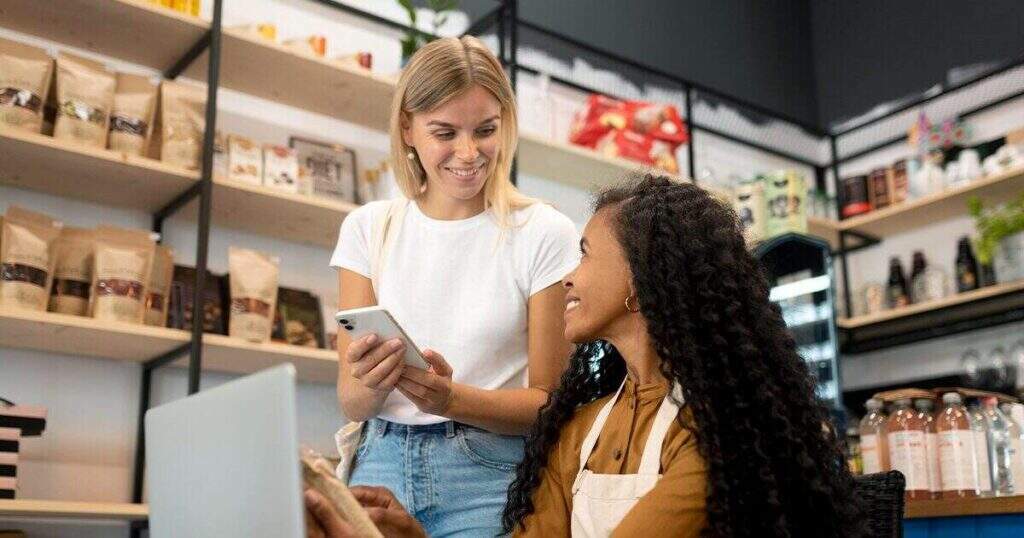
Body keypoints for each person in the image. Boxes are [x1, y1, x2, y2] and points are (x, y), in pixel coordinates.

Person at [317, 175, 865, 537]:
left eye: (584, 254)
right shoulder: (583, 427)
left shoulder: (715, 431)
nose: (569, 277)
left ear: (640, 279)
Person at [329, 35, 579, 536]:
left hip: (490, 474)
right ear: (407, 128)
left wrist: (450, 399)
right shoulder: (368, 228)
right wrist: (370, 382)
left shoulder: (544, 233)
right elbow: (352, 402)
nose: (469, 153)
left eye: (485, 130)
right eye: (445, 132)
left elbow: (549, 403)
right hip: (379, 464)